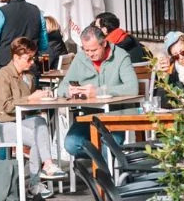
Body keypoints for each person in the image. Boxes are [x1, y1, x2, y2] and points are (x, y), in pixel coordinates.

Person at [57, 23, 140, 161]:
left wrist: (98, 92)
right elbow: (61, 88)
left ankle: (105, 178)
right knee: (71, 144)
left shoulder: (121, 56)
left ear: (104, 43)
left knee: (109, 146)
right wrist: (69, 91)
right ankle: (101, 164)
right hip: (89, 117)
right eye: (86, 50)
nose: (90, 54)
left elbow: (132, 88)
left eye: (94, 50)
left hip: (115, 117)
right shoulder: (80, 58)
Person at [0, 37, 60, 199]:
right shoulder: (3, 74)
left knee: (40, 122)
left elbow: (28, 104)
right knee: (36, 137)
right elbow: (5, 107)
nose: (32, 62)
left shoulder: (28, 76)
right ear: (16, 57)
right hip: (0, 124)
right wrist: (31, 99)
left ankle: (48, 165)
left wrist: (42, 97)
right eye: (28, 58)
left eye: (33, 58)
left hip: (18, 121)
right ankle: (35, 182)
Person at [154, 32, 184, 106]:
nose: (181, 58)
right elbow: (162, 103)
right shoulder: (172, 71)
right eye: (176, 56)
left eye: (183, 52)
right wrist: (163, 77)